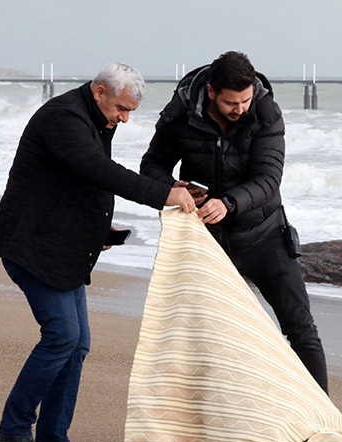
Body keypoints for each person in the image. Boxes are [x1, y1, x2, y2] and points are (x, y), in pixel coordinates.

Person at [0, 63, 196, 442]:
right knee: (62, 336)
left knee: (77, 343)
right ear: (99, 92)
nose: (125, 118)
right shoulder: (64, 118)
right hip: (33, 245)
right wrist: (162, 193)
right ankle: (13, 431)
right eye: (121, 108)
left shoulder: (97, 119)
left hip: (63, 245)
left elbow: (79, 185)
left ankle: (52, 437)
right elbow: (100, 171)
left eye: (131, 111)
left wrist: (101, 231)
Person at [140, 51, 329, 394]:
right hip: (205, 241)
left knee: (301, 328)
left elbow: (270, 179)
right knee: (209, 335)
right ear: (211, 92)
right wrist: (172, 187)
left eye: (245, 99)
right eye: (231, 102)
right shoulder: (180, 113)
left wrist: (229, 203)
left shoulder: (265, 112)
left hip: (265, 235)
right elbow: (151, 166)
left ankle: (325, 419)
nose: (240, 108)